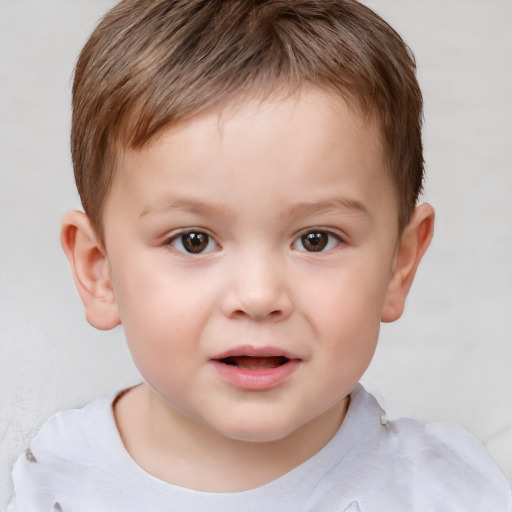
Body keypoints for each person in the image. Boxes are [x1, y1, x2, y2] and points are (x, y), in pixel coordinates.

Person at [7, 1, 511, 510]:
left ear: (398, 266)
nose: (258, 296)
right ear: (100, 272)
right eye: (194, 240)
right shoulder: (40, 485)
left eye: (316, 239)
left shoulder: (453, 494)